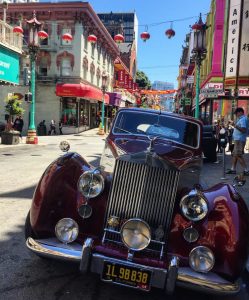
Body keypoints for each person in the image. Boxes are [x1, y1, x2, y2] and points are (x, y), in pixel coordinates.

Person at [226, 107, 249, 175]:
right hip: (238, 139)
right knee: (235, 155)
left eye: (236, 113)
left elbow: (243, 130)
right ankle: (233, 169)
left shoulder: (243, 119)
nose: (236, 115)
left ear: (240, 112)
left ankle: (246, 169)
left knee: (238, 155)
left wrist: (235, 126)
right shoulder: (241, 119)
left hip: (240, 140)